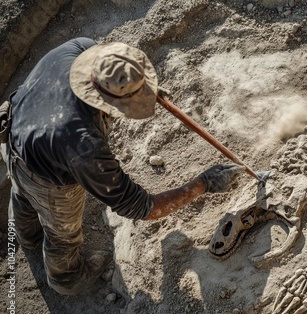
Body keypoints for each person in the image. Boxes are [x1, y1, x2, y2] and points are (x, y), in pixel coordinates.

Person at [0, 37, 243, 295]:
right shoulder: (85, 147)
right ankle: (67, 278)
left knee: (21, 193)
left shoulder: (77, 49)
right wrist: (202, 184)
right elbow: (140, 206)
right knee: (62, 231)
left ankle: (25, 236)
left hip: (15, 133)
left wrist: (146, 93)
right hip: (45, 177)